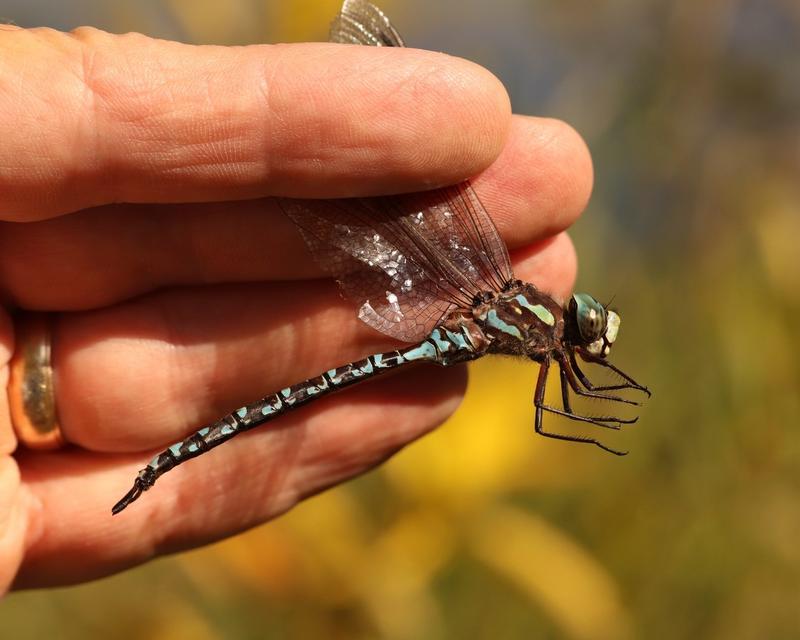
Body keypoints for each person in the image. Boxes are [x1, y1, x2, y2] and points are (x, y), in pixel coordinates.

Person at [0, 25, 593, 593]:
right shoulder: (529, 323)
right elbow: (552, 411)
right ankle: (157, 466)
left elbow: (555, 407)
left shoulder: (528, 323)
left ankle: (153, 467)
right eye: (588, 327)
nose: (590, 334)